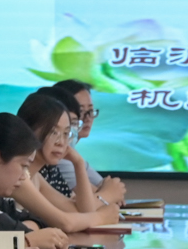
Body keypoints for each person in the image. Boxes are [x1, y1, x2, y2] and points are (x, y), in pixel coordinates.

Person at [11, 92, 119, 234]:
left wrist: (78, 163)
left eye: (66, 133)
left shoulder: (36, 177)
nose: (61, 142)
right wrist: (102, 217)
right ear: (28, 130)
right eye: (53, 132)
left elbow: (82, 211)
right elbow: (65, 222)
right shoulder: (18, 175)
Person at [0, 112, 71, 249]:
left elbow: (38, 220)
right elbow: (14, 232)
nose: (24, 176)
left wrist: (25, 235)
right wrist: (29, 239)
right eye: (23, 166)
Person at [45, 80, 129, 208]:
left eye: (90, 111)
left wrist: (107, 193)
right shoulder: (57, 157)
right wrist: (108, 195)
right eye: (81, 112)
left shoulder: (70, 154)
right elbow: (89, 204)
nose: (87, 118)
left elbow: (104, 187)